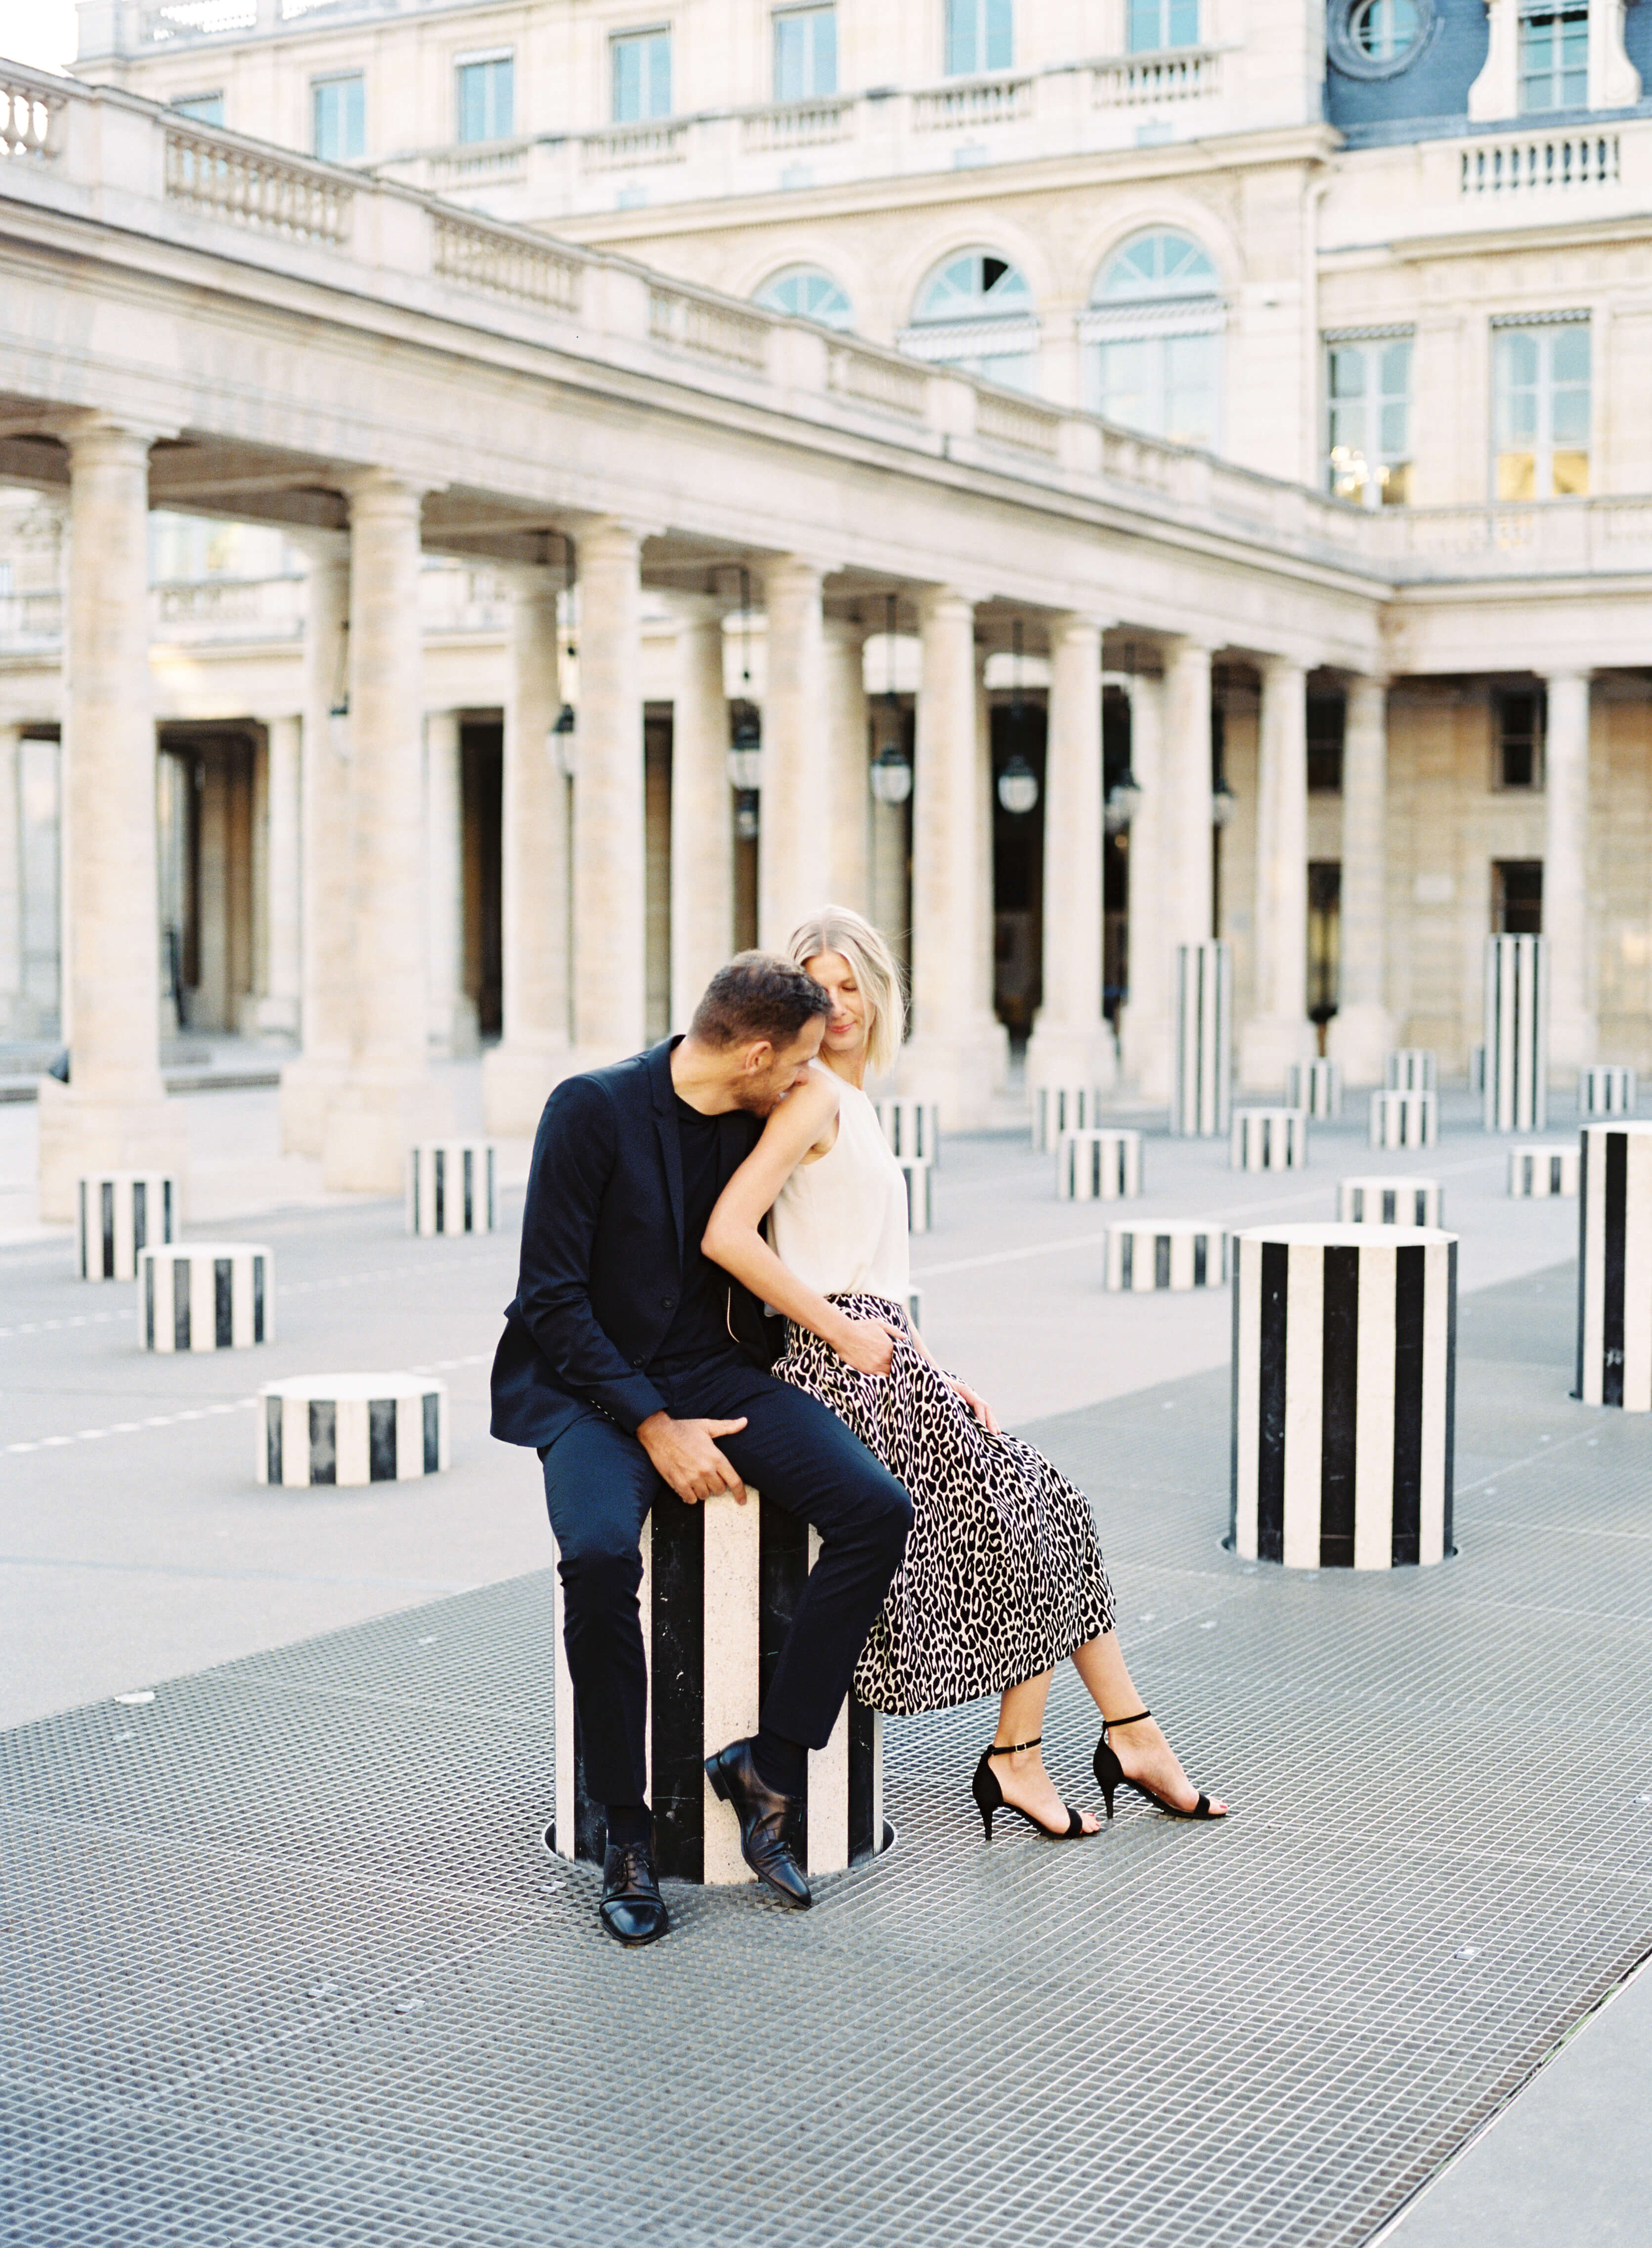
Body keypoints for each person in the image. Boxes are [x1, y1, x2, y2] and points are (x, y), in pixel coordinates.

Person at [701, 906, 1228, 1841]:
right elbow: (728, 1235)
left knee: (1048, 1512)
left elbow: (874, 1268)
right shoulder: (813, 1095)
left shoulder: (855, 1101)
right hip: (843, 1367)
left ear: (883, 992)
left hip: (888, 1355)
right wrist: (840, 1332)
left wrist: (937, 1368)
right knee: (1040, 1515)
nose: (840, 1001)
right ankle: (1078, 1749)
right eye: (820, 984)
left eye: (856, 981)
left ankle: (1068, 1748)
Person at [491, 954, 913, 1947]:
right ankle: (627, 1839)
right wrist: (650, 1424)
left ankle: (766, 1765)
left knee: (875, 1512)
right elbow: (548, 1299)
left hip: (718, 1377)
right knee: (597, 1559)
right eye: (801, 1061)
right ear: (757, 1053)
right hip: (589, 1396)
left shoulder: (756, 1116)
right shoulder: (588, 1109)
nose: (812, 1079)